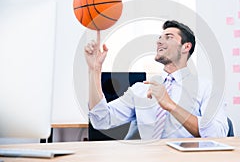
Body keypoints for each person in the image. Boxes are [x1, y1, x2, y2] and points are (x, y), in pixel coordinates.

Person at [85, 20, 229, 139]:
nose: (159, 41)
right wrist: (95, 70)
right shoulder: (141, 89)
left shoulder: (206, 88)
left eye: (168, 37)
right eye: (160, 38)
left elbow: (217, 135)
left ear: (186, 46)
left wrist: (170, 105)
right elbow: (102, 120)